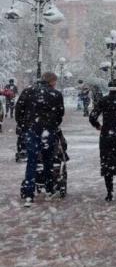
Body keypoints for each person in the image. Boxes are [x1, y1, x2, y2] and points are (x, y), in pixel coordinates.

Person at [17, 72, 65, 207]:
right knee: (48, 160)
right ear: (51, 81)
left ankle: (29, 194)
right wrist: (53, 124)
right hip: (48, 131)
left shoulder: (28, 92)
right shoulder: (55, 94)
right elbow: (60, 113)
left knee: (31, 161)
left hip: (32, 131)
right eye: (54, 81)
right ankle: (49, 189)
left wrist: (24, 125)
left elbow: (19, 109)